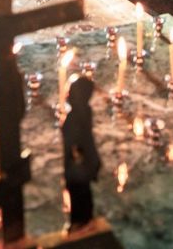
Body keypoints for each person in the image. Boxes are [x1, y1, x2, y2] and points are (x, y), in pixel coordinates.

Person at [62, 75, 101, 231]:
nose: (67, 94)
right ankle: (83, 220)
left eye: (70, 92)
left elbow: (77, 143)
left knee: (79, 194)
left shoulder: (74, 118)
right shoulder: (85, 112)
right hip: (82, 164)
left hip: (77, 166)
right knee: (83, 193)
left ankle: (80, 223)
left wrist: (73, 164)